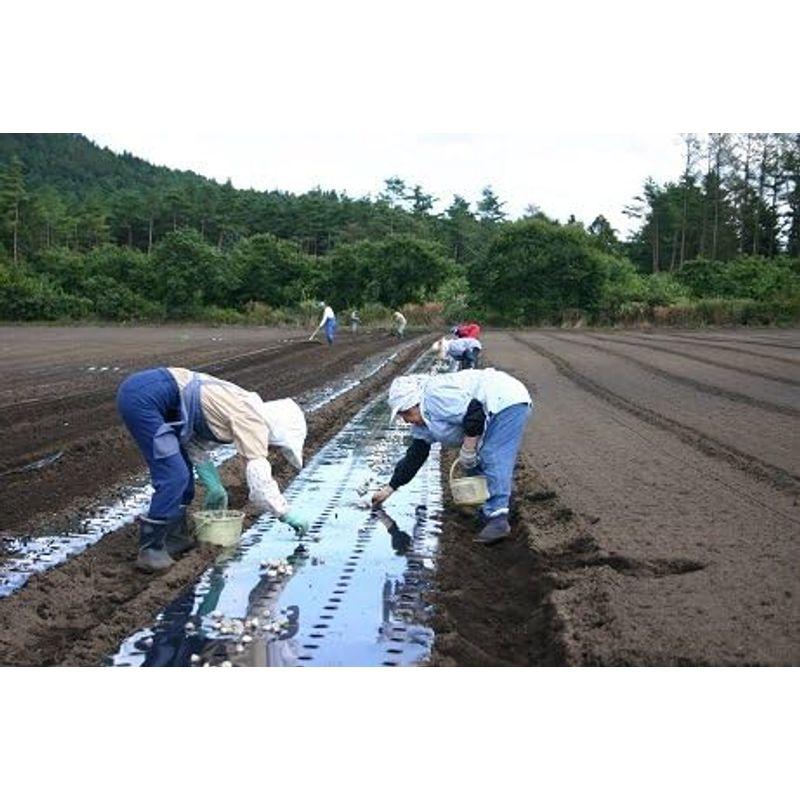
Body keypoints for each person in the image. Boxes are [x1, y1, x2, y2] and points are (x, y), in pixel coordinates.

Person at [117, 367, 310, 572]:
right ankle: (150, 550)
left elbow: (193, 440)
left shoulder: (247, 411)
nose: (274, 450)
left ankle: (175, 538)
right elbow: (260, 484)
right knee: (174, 476)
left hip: (158, 395)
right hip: (145, 396)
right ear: (277, 433)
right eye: (279, 446)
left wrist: (214, 485)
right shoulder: (252, 420)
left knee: (185, 479)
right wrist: (285, 513)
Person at [371, 369, 532, 544]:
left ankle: (498, 518)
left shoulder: (435, 397)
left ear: (416, 403)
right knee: (473, 463)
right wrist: (389, 488)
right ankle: (499, 504)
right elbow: (415, 456)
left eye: (406, 413)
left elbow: (475, 411)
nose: (406, 420)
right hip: (491, 409)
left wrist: (469, 448)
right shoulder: (423, 423)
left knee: (491, 454)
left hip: (506, 400)